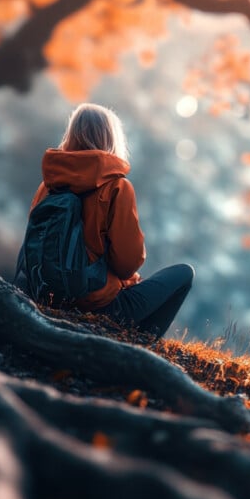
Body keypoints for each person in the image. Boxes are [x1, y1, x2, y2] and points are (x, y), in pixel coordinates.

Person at [19, 103, 193, 339]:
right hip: (101, 306)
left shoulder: (48, 185)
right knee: (184, 273)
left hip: (46, 295)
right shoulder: (117, 187)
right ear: (111, 138)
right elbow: (127, 264)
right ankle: (138, 347)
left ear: (71, 134)